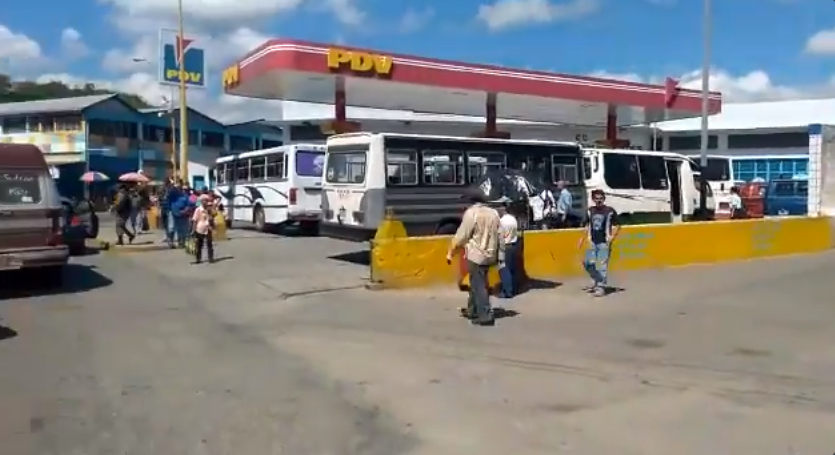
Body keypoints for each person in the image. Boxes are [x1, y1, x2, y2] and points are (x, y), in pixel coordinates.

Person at [446, 189, 501, 326]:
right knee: (476, 282)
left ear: (471, 201)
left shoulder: (472, 213)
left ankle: (485, 315)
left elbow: (462, 235)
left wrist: (451, 251)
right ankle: (472, 310)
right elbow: (500, 234)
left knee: (479, 285)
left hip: (476, 255)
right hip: (491, 254)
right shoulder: (494, 213)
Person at [578, 189, 619, 297]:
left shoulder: (609, 211)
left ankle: (601, 288)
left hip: (604, 243)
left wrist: (612, 237)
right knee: (587, 263)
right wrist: (582, 239)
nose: (599, 200)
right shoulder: (590, 211)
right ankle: (597, 279)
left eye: (601, 198)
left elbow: (618, 225)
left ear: (604, 198)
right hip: (592, 242)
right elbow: (587, 225)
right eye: (596, 198)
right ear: (593, 199)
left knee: (602, 265)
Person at [497, 201, 520, 299]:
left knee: (504, 270)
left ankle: (507, 292)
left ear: (502, 209)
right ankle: (512, 289)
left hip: (504, 247)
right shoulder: (513, 219)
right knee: (511, 270)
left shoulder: (501, 221)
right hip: (514, 246)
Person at [191, 195, 216, 264]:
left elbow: (212, 219)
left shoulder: (209, 210)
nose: (206, 202)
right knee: (199, 245)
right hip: (200, 229)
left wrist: (213, 224)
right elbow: (194, 220)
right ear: (201, 201)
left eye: (207, 200)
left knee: (209, 244)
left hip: (208, 229)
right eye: (204, 200)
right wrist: (193, 230)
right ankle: (198, 259)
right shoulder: (198, 210)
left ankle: (211, 258)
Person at [170, 183, 192, 248]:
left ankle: (183, 243)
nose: (177, 189)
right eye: (176, 188)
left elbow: (188, 205)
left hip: (183, 215)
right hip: (174, 215)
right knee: (174, 229)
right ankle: (175, 242)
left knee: (183, 230)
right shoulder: (173, 196)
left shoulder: (185, 196)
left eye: (178, 188)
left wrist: (184, 211)